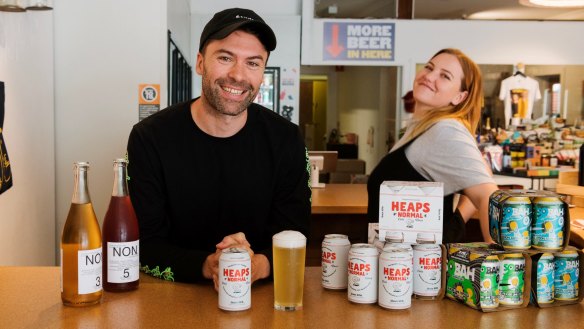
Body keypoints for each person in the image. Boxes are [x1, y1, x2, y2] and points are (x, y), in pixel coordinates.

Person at [126, 8, 311, 287]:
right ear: (200, 63)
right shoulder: (150, 139)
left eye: (253, 63)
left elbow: (295, 235)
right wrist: (208, 266)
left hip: (260, 303)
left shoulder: (286, 140)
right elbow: (143, 244)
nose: (238, 75)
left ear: (262, 72)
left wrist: (255, 265)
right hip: (170, 299)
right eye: (225, 58)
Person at [367, 48, 498, 243]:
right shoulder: (422, 127)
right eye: (429, 67)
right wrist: (458, 220)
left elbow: (490, 197)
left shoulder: (445, 130)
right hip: (399, 265)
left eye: (445, 76)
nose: (430, 76)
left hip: (416, 270)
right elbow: (482, 171)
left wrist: (503, 266)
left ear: (459, 97)